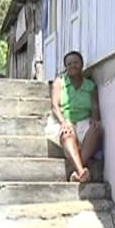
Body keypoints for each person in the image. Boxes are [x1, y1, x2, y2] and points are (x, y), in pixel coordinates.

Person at [45, 51, 102, 183]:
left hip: (84, 121)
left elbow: (95, 106)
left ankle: (77, 170)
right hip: (63, 119)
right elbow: (55, 106)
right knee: (67, 133)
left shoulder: (90, 85)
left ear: (82, 64)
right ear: (65, 67)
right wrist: (63, 122)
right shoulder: (59, 83)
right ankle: (82, 172)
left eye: (75, 63)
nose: (72, 66)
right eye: (69, 64)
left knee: (96, 130)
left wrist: (95, 119)